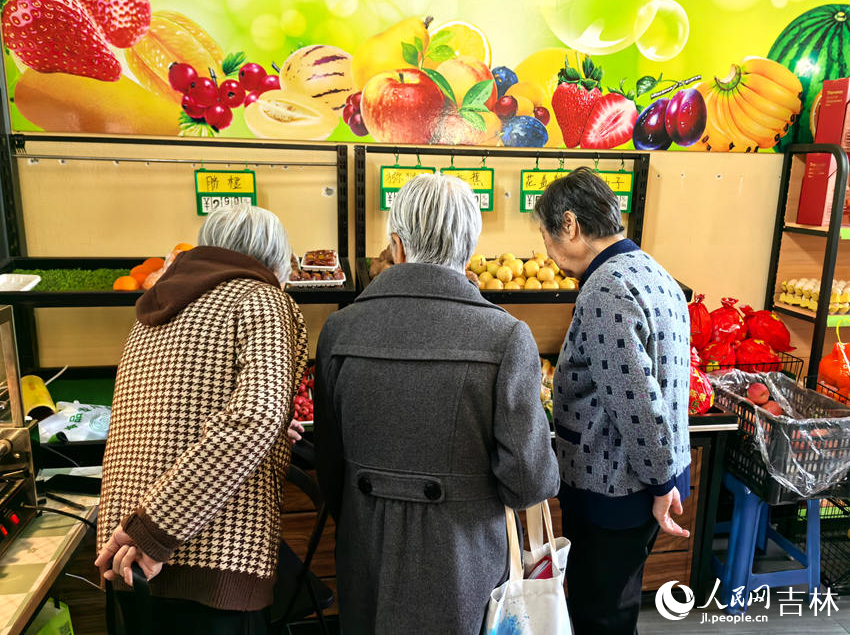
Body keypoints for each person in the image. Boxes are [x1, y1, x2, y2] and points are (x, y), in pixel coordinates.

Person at [314, 173, 559, 634]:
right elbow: (528, 482)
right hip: (461, 567)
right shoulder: (505, 337)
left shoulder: (340, 331)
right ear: (469, 248)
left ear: (397, 246)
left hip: (366, 555)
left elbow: (331, 470)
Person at [95, 205, 308, 634]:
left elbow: (184, 408)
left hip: (124, 546)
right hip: (206, 551)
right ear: (276, 258)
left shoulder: (157, 307)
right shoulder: (261, 299)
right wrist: (154, 531)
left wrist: (140, 531)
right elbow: (254, 418)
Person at [534, 167, 691, 635]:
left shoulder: (605, 289)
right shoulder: (651, 270)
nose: (545, 250)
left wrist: (661, 484)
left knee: (599, 614)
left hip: (617, 483)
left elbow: (636, 400)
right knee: (616, 605)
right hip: (647, 477)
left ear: (570, 225)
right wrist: (666, 479)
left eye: (545, 235)